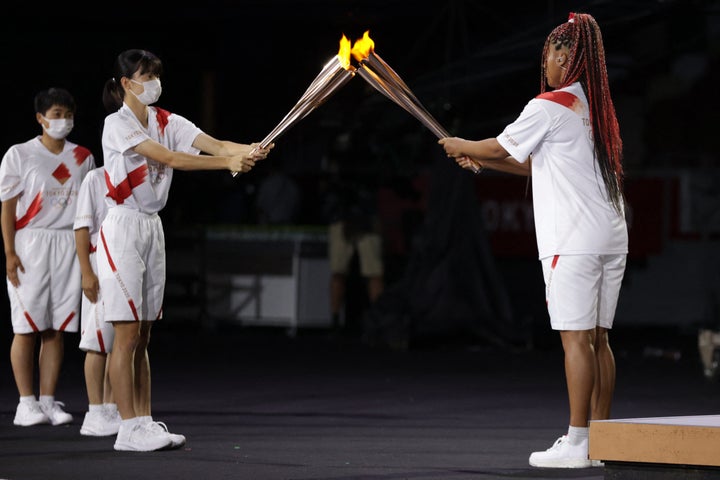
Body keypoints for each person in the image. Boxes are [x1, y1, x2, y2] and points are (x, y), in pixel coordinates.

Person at [439, 12, 627, 469]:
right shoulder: (593, 109)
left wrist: (462, 144)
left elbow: (499, 146)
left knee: (575, 341)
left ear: (566, 56)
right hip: (611, 235)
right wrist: (483, 162)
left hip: (572, 239)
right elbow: (531, 163)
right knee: (599, 340)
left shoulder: (546, 104)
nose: (546, 63)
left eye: (550, 55)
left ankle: (577, 442)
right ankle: (600, 440)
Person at [98, 48, 271, 452]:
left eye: (158, 74)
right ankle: (126, 429)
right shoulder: (116, 124)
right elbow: (172, 158)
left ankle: (142, 421)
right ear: (127, 83)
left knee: (143, 336)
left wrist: (248, 149)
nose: (155, 83)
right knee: (124, 336)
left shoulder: (166, 120)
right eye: (147, 75)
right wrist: (228, 164)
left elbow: (214, 144)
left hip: (151, 228)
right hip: (123, 226)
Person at [0, 87, 96, 427]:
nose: (64, 121)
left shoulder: (83, 156)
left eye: (68, 114)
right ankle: (26, 403)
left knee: (57, 328)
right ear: (40, 118)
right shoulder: (19, 154)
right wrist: (10, 252)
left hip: (69, 244)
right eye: (57, 114)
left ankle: (47, 400)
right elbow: (8, 209)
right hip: (31, 244)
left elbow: (90, 209)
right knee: (26, 326)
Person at [74, 166, 122, 436]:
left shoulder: (141, 174)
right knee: (97, 342)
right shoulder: (95, 178)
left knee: (120, 341)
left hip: (125, 261)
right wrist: (86, 272)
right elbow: (81, 227)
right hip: (99, 261)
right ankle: (94, 413)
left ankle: (111, 407)